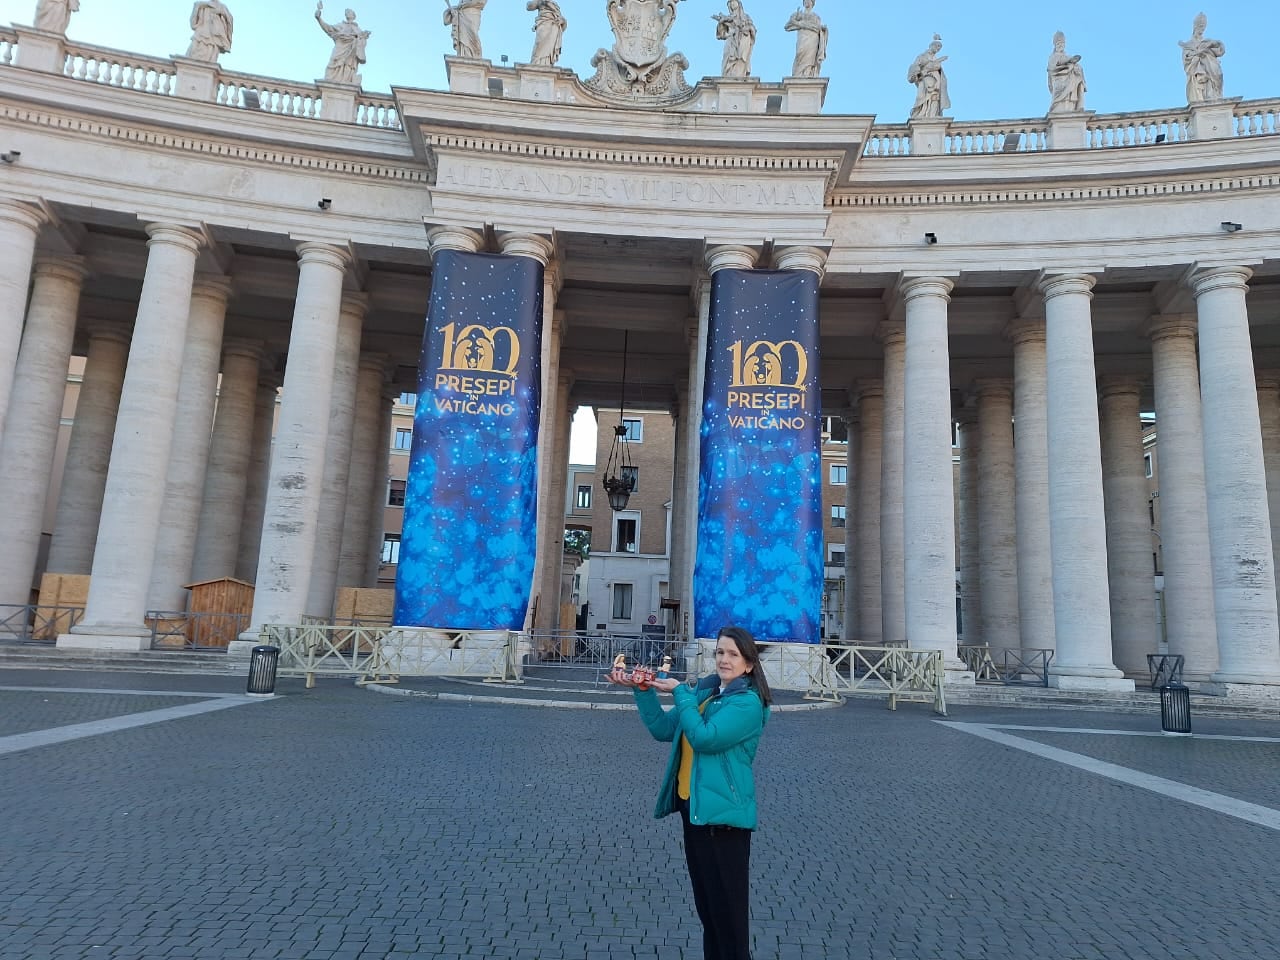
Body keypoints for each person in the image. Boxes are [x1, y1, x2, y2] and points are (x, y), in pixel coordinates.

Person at [611, 625, 772, 960]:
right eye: (720, 652)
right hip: (695, 812)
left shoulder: (747, 704)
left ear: (749, 664)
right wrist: (644, 690)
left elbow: (704, 738)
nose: (724, 660)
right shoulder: (708, 694)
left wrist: (681, 693)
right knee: (710, 915)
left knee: (730, 924)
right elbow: (663, 729)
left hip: (725, 821)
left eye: (733, 654)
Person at [315, 3, 370, 86]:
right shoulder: (340, 25)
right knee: (333, 63)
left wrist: (362, 37)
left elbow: (361, 41)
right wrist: (319, 19)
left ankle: (346, 81)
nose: (347, 13)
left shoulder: (357, 29)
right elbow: (328, 28)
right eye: (346, 12)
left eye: (349, 12)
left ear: (353, 15)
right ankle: (331, 81)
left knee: (349, 65)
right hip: (339, 48)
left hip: (350, 52)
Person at [1180, 12, 1225, 103]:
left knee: (1217, 76)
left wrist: (1212, 45)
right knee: (1199, 83)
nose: (1201, 29)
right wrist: (1196, 56)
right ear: (1195, 27)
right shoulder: (1189, 44)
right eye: (1200, 26)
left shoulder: (1207, 41)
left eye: (1203, 27)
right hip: (1197, 69)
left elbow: (1220, 50)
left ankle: (1213, 96)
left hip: (1210, 68)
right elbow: (1186, 59)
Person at [907, 33, 949, 119]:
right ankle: (921, 114)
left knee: (935, 97)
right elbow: (915, 67)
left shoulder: (935, 58)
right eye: (937, 47)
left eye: (939, 48)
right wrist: (920, 72)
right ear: (931, 46)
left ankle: (933, 116)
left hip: (936, 79)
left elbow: (938, 68)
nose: (937, 49)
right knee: (921, 97)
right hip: (925, 78)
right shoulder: (922, 56)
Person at [784, 0, 827, 80]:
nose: (807, 2)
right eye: (805, 1)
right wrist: (795, 20)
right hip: (802, 37)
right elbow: (787, 26)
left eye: (809, 1)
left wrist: (823, 29)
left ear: (812, 3)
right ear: (803, 3)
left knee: (810, 57)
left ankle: (808, 73)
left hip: (813, 38)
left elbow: (818, 28)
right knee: (800, 53)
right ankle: (798, 74)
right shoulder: (799, 14)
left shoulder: (816, 16)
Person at [713, 0, 756, 79]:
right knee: (728, 56)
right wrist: (721, 23)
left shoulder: (745, 17)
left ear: (738, 3)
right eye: (730, 3)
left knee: (741, 57)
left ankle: (739, 75)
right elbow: (721, 34)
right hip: (731, 40)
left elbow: (752, 29)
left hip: (743, 38)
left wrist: (747, 29)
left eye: (734, 2)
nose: (732, 4)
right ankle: (728, 74)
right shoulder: (727, 18)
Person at [1046, 30, 1086, 114]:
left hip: (1068, 77)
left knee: (1078, 69)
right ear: (1055, 45)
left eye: (1062, 44)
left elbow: (1066, 60)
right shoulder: (1053, 56)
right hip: (1058, 78)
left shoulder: (1066, 55)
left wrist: (1074, 66)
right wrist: (1070, 61)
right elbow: (1053, 67)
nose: (1061, 46)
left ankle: (1078, 105)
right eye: (1059, 44)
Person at [527, 0, 567, 67]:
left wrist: (563, 21)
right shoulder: (541, 1)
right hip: (543, 23)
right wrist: (540, 2)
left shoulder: (555, 4)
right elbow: (529, 7)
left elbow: (562, 23)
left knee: (550, 46)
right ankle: (536, 62)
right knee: (539, 42)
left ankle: (547, 63)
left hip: (554, 26)